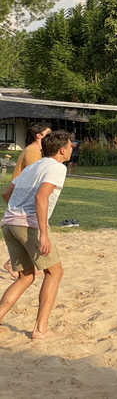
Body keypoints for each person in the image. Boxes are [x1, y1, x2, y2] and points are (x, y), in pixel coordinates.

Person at [0, 130, 72, 339]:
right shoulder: (57, 167)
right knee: (54, 273)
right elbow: (42, 197)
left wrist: (17, 214)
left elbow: (6, 193)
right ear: (62, 149)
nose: (71, 148)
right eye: (70, 145)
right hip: (29, 226)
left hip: (9, 223)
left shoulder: (33, 166)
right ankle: (40, 329)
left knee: (26, 276)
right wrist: (43, 234)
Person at [3, 121, 52, 278]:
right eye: (48, 134)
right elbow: (34, 181)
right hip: (22, 197)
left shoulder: (32, 150)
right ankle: (12, 263)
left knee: (27, 233)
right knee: (33, 233)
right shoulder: (33, 153)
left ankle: (13, 263)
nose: (52, 138)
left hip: (18, 196)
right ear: (39, 136)